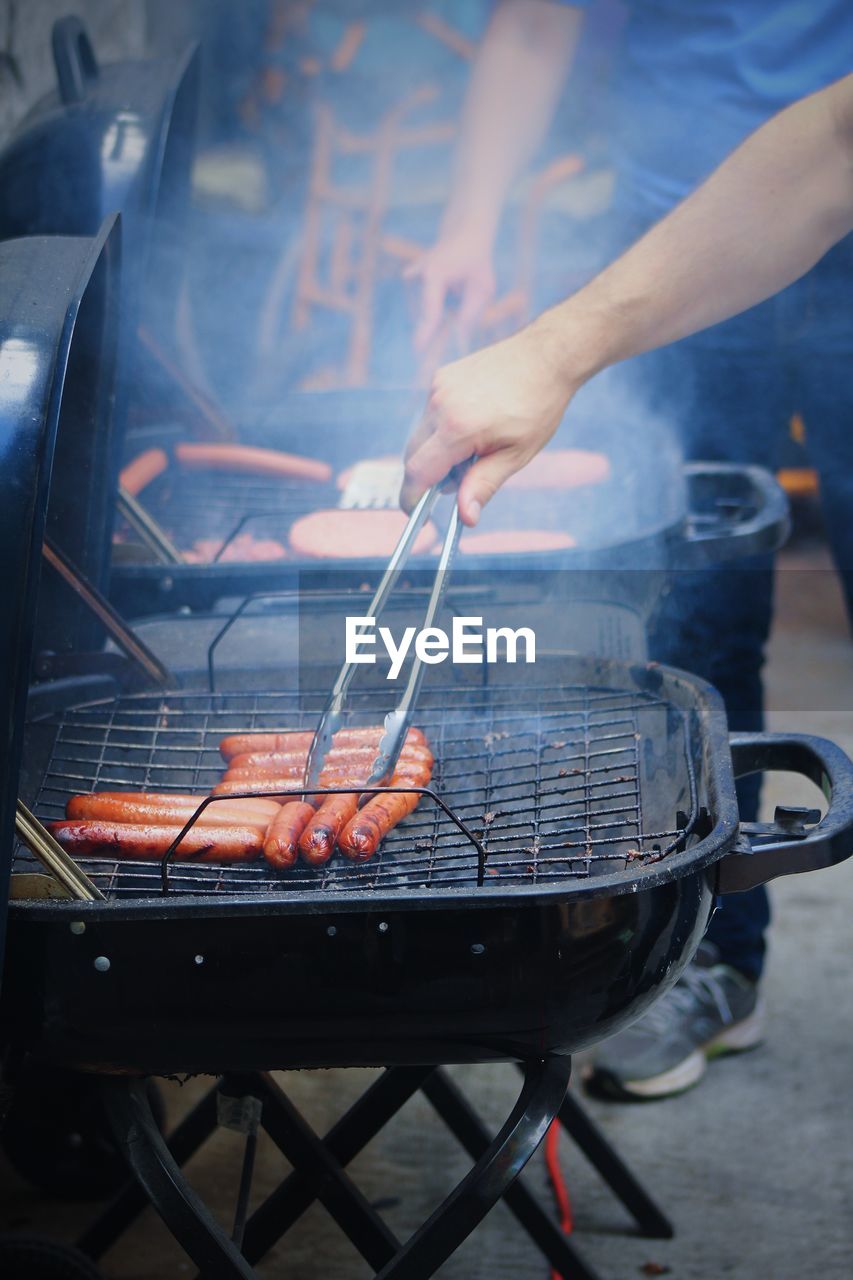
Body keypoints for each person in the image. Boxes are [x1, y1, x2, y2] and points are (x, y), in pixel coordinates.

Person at [403, 65, 853, 1099]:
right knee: (694, 613)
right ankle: (715, 957)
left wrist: (552, 352)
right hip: (694, 236)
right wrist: (518, 297)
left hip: (788, 233)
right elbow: (833, 142)